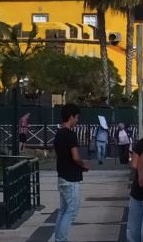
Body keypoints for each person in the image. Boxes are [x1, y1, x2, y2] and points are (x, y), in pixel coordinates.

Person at [54, 104, 89, 242]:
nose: (77, 120)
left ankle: (58, 238)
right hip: (71, 178)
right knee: (71, 211)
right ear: (71, 117)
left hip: (61, 176)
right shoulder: (70, 134)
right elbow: (75, 157)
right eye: (77, 117)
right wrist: (83, 164)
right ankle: (61, 239)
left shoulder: (58, 134)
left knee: (63, 210)